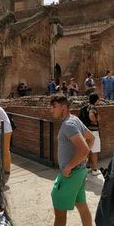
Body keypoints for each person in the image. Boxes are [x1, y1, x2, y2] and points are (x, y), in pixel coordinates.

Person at [49, 95, 96, 226]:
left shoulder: (68, 124)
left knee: (59, 211)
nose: (51, 110)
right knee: (82, 205)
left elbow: (85, 149)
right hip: (79, 172)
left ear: (63, 107)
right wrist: (82, 159)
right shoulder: (74, 119)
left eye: (54, 106)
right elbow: (91, 138)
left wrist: (69, 167)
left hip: (71, 174)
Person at [78, 93, 101, 176]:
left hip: (86, 131)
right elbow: (91, 115)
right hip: (93, 132)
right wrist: (96, 119)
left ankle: (87, 167)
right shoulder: (93, 107)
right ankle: (95, 170)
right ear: (96, 100)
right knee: (94, 151)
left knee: (87, 150)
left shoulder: (86, 107)